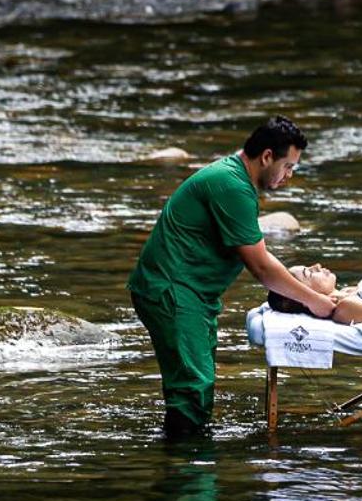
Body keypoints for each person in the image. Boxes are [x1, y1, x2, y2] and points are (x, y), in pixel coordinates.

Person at [129, 117, 338, 438]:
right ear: (267, 156)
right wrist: (316, 302)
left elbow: (262, 255)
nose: (289, 176)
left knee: (196, 384)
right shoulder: (232, 186)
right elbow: (262, 268)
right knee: (192, 388)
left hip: (191, 293)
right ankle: (188, 473)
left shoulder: (235, 178)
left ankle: (189, 459)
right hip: (174, 291)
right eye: (288, 166)